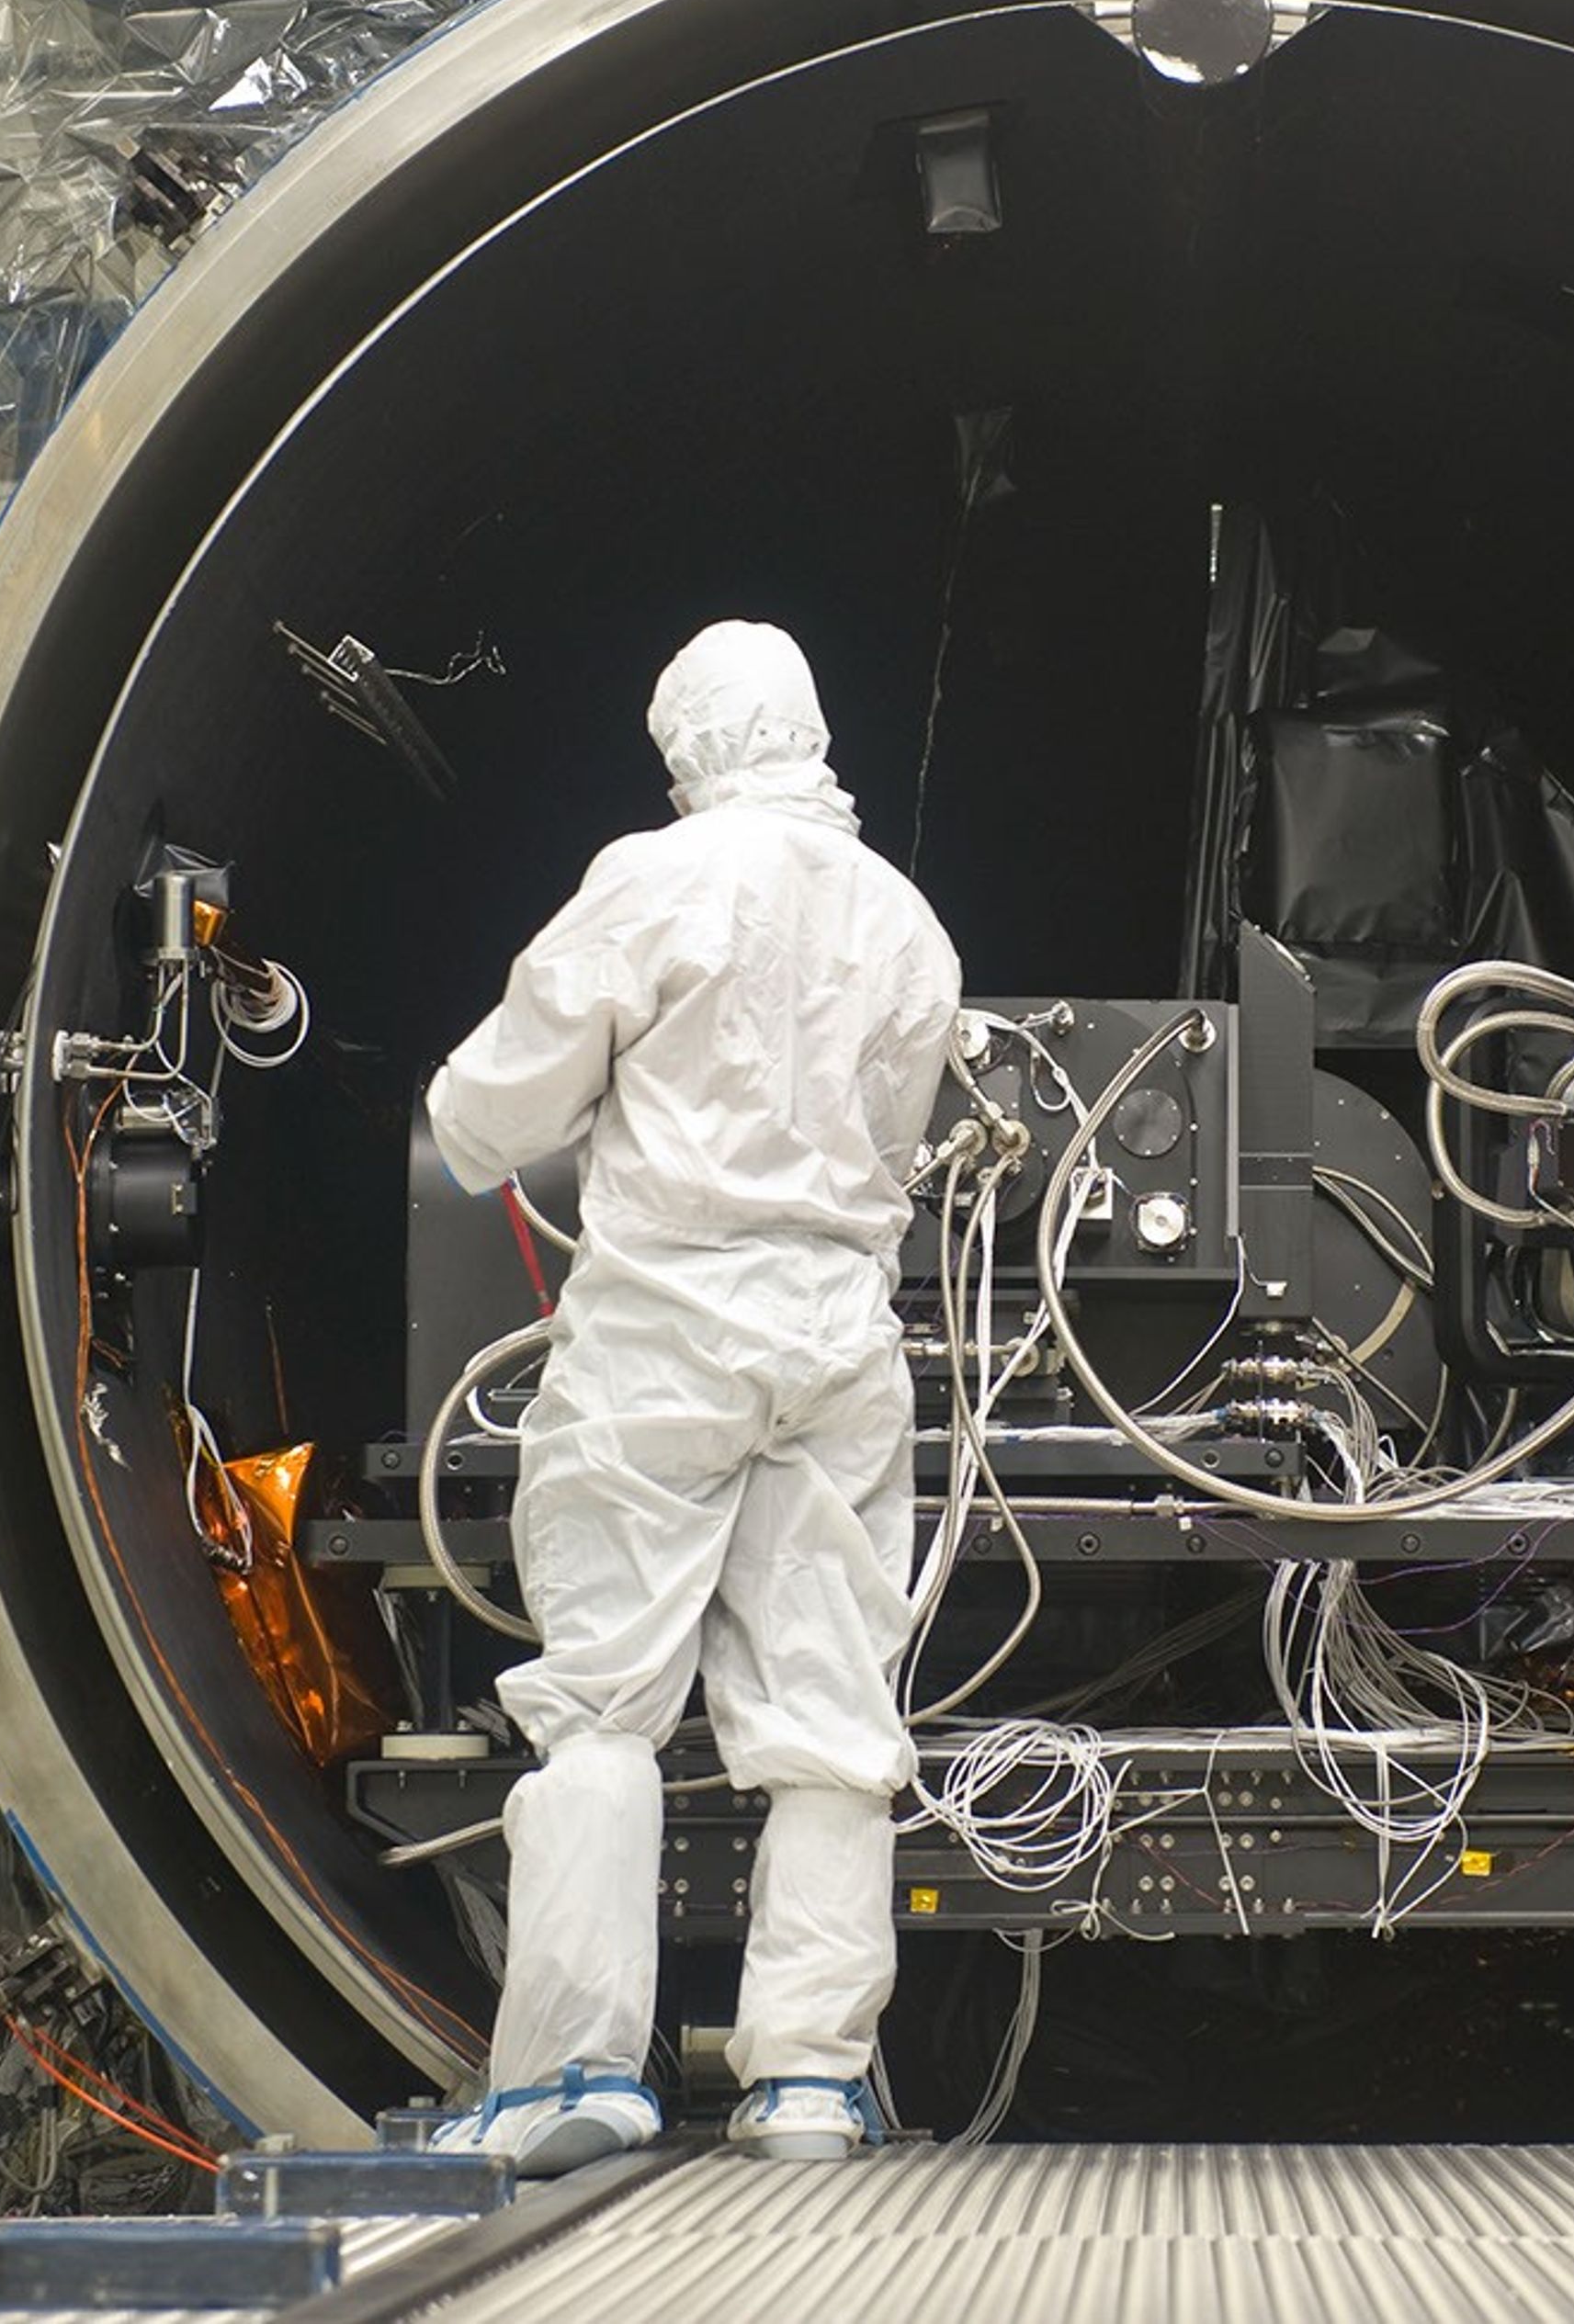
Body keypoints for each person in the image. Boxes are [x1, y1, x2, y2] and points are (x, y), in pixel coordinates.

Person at [421, 621, 961, 2175]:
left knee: (601, 1700)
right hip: (838, 1343)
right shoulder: (908, 925)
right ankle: (807, 2079)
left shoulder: (652, 880)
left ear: (694, 749)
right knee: (831, 1714)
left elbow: (483, 1114)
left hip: (662, 1333)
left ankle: (574, 2072)